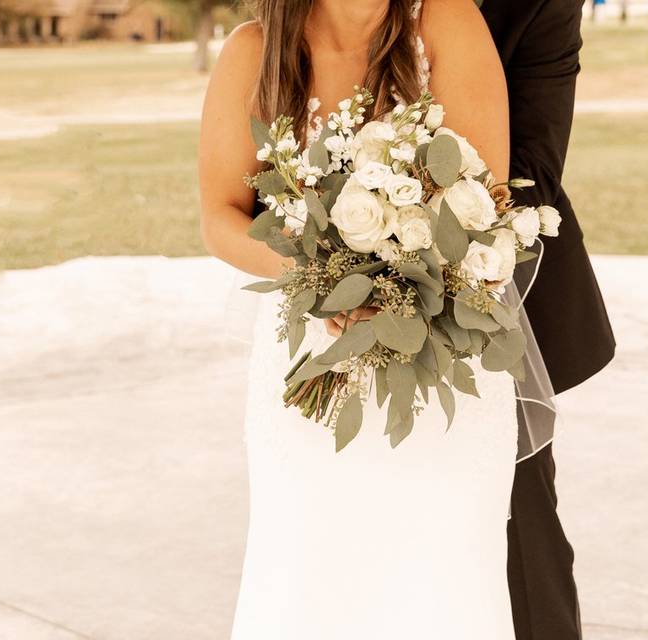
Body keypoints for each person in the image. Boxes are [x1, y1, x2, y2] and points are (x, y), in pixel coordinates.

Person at [199, 0, 612, 637]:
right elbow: (221, 212)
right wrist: (326, 281)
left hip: (444, 346)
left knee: (449, 577)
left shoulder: (450, 23)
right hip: (309, 354)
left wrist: (395, 287)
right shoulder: (252, 53)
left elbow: (488, 199)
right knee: (311, 570)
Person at [480, 0, 616, 636]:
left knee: (523, 525)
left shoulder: (541, 4)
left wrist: (404, 232)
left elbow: (533, 172)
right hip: (342, 297)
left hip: (497, 296)